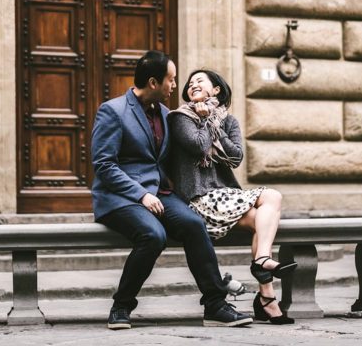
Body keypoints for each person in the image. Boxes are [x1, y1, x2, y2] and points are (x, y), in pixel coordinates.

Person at [91, 51, 254, 330]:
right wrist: (141, 194)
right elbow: (104, 165)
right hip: (121, 197)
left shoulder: (168, 115)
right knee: (153, 236)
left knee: (193, 224)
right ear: (154, 82)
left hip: (160, 194)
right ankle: (122, 306)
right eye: (172, 79)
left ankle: (215, 305)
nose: (176, 85)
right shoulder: (113, 111)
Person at [168, 69, 296, 325]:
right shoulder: (180, 117)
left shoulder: (228, 120)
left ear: (216, 89)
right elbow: (198, 146)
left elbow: (236, 156)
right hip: (200, 198)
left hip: (225, 197)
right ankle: (265, 287)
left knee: (263, 219)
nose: (193, 85)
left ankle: (266, 291)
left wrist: (215, 122)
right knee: (272, 197)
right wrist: (205, 120)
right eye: (190, 83)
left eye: (200, 81)